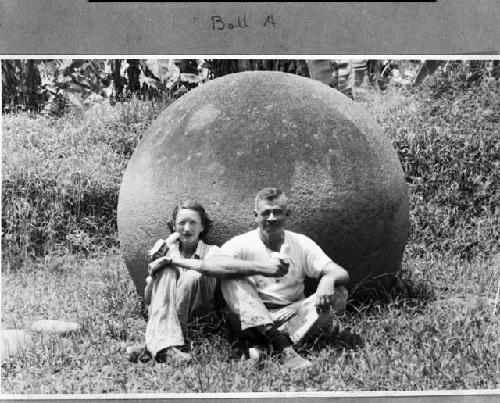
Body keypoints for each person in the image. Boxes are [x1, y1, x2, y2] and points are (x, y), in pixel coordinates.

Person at [203, 187, 350, 370]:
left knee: (339, 293)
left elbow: (341, 272)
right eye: (266, 213)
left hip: (292, 312)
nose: (271, 218)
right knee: (232, 277)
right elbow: (209, 266)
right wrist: (262, 268)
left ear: (287, 214)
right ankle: (284, 349)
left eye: (277, 212)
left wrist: (327, 280)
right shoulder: (242, 243)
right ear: (256, 216)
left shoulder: (300, 243)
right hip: (254, 314)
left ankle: (265, 347)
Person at [130, 201, 220, 363]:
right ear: (173, 226)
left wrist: (170, 260)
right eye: (181, 223)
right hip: (164, 315)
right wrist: (155, 275)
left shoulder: (212, 251)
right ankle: (167, 348)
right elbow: (148, 298)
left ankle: (155, 347)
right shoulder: (166, 250)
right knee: (166, 270)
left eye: (193, 222)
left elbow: (206, 268)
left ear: (203, 226)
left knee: (192, 275)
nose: (186, 228)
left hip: (197, 318)